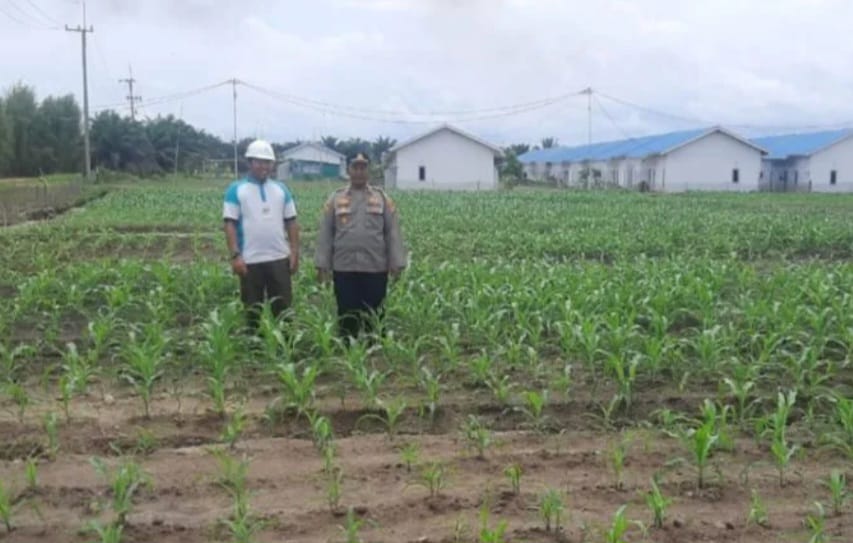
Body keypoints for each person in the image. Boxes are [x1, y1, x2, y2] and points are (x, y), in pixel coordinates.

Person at [314, 152, 406, 340]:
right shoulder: (335, 199)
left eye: (363, 167)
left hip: (375, 267)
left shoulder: (382, 199)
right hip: (344, 267)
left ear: (368, 171)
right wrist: (322, 264)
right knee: (347, 310)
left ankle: (374, 345)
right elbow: (326, 233)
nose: (359, 172)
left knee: (374, 311)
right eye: (355, 167)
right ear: (348, 170)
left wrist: (396, 262)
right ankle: (348, 345)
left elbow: (392, 232)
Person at [223, 139, 300, 331]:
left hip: (279, 258)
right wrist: (235, 255)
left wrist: (294, 251)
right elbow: (229, 224)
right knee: (252, 309)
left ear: (272, 165)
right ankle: (255, 350)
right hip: (250, 260)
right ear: (250, 163)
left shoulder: (281, 190)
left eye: (267, 162)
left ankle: (285, 345)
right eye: (258, 162)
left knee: (283, 308)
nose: (263, 166)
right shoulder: (236, 190)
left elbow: (291, 222)